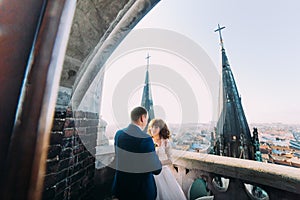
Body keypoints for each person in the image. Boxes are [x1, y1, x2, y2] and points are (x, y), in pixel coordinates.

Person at [112, 106, 162, 200]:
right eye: (146, 119)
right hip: (140, 191)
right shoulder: (145, 139)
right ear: (142, 118)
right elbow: (156, 170)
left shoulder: (118, 134)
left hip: (121, 187)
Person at [148, 119, 187, 200]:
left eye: (156, 127)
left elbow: (170, 160)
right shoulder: (149, 141)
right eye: (152, 127)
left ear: (161, 129)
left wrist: (158, 163)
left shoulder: (165, 142)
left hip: (163, 172)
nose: (153, 129)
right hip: (151, 173)